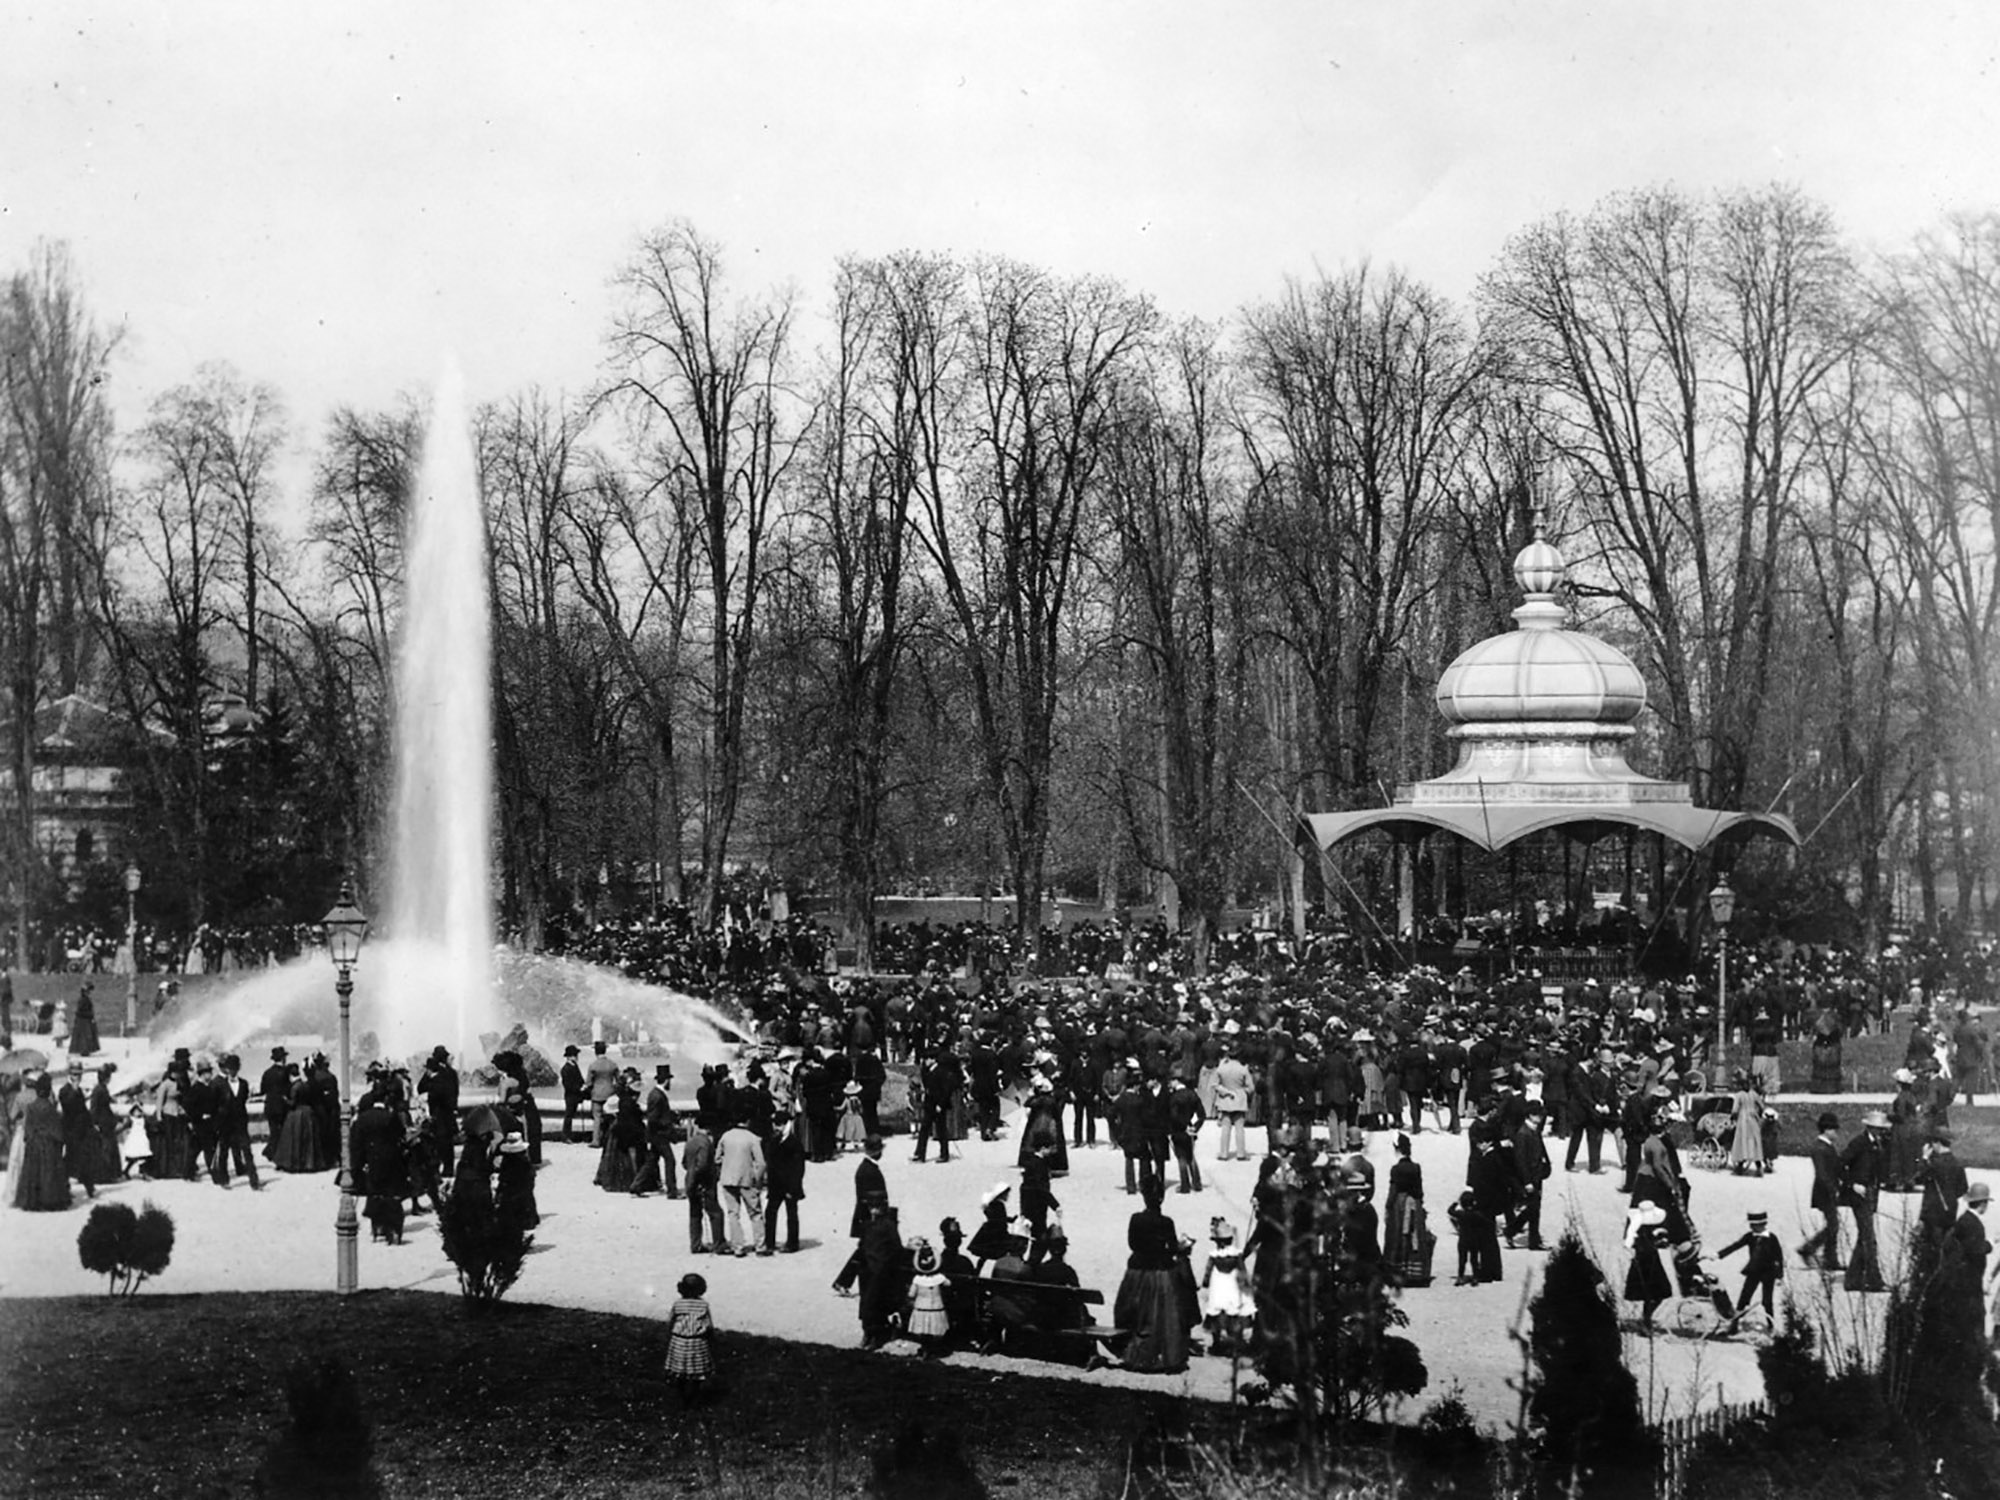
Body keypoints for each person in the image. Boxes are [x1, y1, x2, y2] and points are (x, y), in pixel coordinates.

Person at [1114, 1175, 1198, 1373]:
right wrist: (1182, 1248)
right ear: (1161, 1197)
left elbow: (1132, 1244)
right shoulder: (1166, 1222)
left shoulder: (1135, 1219)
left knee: (1136, 1314)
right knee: (1164, 1314)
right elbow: (1171, 1248)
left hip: (1137, 1270)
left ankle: (1134, 1351)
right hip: (1159, 1271)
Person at [1840, 1110, 1890, 1292]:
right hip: (1859, 1195)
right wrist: (1852, 1183)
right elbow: (1840, 1164)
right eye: (1877, 1129)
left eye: (1881, 1130)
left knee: (1864, 1237)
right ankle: (1874, 1281)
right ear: (1869, 1127)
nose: (1880, 1132)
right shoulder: (1859, 1143)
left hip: (1871, 1194)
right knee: (1869, 1239)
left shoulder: (1879, 1143)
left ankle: (1852, 1280)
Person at [832, 1134, 889, 1294]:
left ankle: (844, 1281)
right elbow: (871, 1198)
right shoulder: (869, 1171)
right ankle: (845, 1282)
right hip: (870, 1218)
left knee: (864, 1250)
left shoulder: (866, 1168)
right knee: (866, 1251)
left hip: (866, 1217)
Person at [350, 1093, 409, 1244]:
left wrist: (357, 1166)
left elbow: (356, 1144)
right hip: (391, 1160)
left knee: (375, 1193)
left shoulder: (362, 1119)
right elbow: (401, 1134)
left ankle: (377, 1227)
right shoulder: (390, 1116)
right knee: (391, 1194)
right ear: (385, 1100)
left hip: (372, 1160)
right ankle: (394, 1229)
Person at [1715, 1209, 1784, 1330]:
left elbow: (1779, 1258)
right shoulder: (1749, 1237)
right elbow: (1735, 1246)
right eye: (1751, 1225)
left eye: (1755, 1225)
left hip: (1768, 1274)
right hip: (1753, 1272)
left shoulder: (1772, 1238)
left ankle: (1770, 1325)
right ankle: (1734, 1324)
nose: (1752, 1228)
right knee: (1744, 1298)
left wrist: (1779, 1276)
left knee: (1767, 1301)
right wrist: (1719, 1255)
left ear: (1763, 1224)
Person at [11, 1073, 71, 1211]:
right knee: (48, 1173)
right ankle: (49, 1200)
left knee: (33, 1174)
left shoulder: (31, 1107)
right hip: (48, 1144)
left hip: (34, 1143)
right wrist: (60, 1141)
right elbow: (56, 1128)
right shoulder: (50, 1108)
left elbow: (29, 1127)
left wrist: (28, 1139)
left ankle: (33, 1201)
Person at [1383, 1133, 1433, 1286]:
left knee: (1397, 1236)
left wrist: (1387, 1207)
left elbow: (1393, 1191)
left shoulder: (1396, 1169)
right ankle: (1416, 1273)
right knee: (1414, 1237)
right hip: (1414, 1204)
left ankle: (1397, 1271)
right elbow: (1420, 1189)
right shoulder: (1416, 1167)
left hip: (1400, 1204)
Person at [715, 1113, 767, 1256]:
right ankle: (760, 1246)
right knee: (755, 1213)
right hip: (746, 1179)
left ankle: (738, 1246)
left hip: (728, 1178)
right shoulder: (752, 1138)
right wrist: (758, 1179)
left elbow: (717, 1158)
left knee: (733, 1214)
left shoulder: (726, 1136)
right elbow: (761, 1163)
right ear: (748, 1121)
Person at [1797, 1111, 1843, 1271]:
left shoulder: (1826, 1146)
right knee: (1833, 1225)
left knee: (1833, 1224)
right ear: (1827, 1130)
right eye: (1834, 1130)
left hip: (1828, 1190)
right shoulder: (1819, 1148)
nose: (1836, 1133)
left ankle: (1828, 1257)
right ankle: (1814, 1251)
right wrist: (1833, 1189)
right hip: (1824, 1191)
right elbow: (1822, 1174)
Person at [1201, 1218, 1254, 1353]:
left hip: (1218, 1284)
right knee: (1235, 1309)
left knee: (1217, 1309)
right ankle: (1235, 1342)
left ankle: (1217, 1342)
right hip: (1233, 1284)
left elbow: (1208, 1271)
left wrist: (1205, 1284)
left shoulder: (1214, 1255)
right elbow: (1242, 1270)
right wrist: (1246, 1284)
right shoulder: (1237, 1255)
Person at [210, 1053, 262, 1190]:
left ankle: (254, 1180)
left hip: (240, 1122)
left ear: (238, 1069)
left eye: (234, 1068)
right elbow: (213, 1104)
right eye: (230, 1068)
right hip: (225, 1123)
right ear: (226, 1069)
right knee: (224, 1152)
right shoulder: (219, 1084)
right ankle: (223, 1179)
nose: (232, 1071)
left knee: (247, 1152)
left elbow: (242, 1100)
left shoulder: (244, 1084)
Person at [664, 1272, 716, 1405]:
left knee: (679, 1371)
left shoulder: (678, 1304)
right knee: (697, 1372)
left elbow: (670, 1320)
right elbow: (709, 1325)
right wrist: (711, 1337)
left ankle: (682, 1396)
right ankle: (693, 1397)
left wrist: (670, 1333)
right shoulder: (703, 1305)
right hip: (697, 1341)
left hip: (679, 1341)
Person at [1624, 1202, 1674, 1331]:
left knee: (1651, 1294)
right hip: (1648, 1261)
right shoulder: (1644, 1230)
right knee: (1656, 1292)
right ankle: (1646, 1320)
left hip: (1647, 1260)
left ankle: (1646, 1320)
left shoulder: (1638, 1228)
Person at [680, 1114, 726, 1254]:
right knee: (716, 1213)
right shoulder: (705, 1143)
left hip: (690, 1182)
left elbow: (684, 1163)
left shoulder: (691, 1141)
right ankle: (719, 1244)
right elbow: (703, 1164)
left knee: (695, 1214)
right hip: (704, 1183)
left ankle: (695, 1244)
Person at [763, 1115, 806, 1253]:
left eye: (780, 1124)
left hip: (789, 1186)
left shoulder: (794, 1143)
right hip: (776, 1185)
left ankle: (792, 1244)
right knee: (770, 1213)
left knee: (791, 1214)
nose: (777, 1127)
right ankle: (769, 1242)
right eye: (776, 1124)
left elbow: (798, 1169)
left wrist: (793, 1188)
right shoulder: (774, 1141)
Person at [57, 1061, 97, 1200]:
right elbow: (67, 1106)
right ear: (69, 1075)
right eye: (75, 1075)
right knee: (70, 1160)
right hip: (71, 1132)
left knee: (83, 1160)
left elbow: (82, 1111)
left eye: (79, 1075)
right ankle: (65, 1187)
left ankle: (89, 1187)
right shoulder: (65, 1090)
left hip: (82, 1131)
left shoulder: (78, 1090)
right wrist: (74, 1091)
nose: (77, 1077)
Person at [905, 1240, 951, 1357]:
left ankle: (925, 1348)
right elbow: (948, 1284)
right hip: (936, 1307)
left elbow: (911, 1294)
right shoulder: (940, 1278)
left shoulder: (917, 1280)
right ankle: (931, 1348)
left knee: (923, 1329)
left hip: (921, 1307)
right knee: (933, 1328)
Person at [418, 1047, 459, 1176]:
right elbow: (455, 1092)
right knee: (448, 1145)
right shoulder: (451, 1073)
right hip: (449, 1114)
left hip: (438, 1114)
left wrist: (428, 1074)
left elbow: (421, 1088)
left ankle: (437, 1171)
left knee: (437, 1144)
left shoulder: (435, 1075)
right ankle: (449, 1170)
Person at [494, 1131, 538, 1238]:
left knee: (509, 1216)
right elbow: (531, 1177)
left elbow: (502, 1178)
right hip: (523, 1194)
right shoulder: (524, 1162)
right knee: (523, 1216)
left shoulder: (506, 1162)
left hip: (509, 1194)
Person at [1727, 1074, 1768, 1177]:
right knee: (1754, 1143)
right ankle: (1759, 1167)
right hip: (1753, 1120)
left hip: (1743, 1120)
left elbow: (1735, 1110)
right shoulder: (1754, 1094)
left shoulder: (1739, 1095)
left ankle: (1740, 1166)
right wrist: (1758, 1113)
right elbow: (1762, 1106)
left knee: (1742, 1142)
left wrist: (1732, 1117)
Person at [258, 1047, 292, 1159]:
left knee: (273, 1130)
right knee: (282, 1132)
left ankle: (271, 1151)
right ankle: (274, 1153)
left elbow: (262, 1090)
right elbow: (289, 1089)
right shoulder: (285, 1072)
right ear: (283, 1058)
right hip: (282, 1105)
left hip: (270, 1106)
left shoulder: (267, 1073)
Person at [558, 1044, 586, 1143]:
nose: (577, 1057)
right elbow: (568, 1085)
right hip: (570, 1096)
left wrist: (583, 1085)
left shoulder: (575, 1066)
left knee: (570, 1115)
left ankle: (568, 1135)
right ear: (569, 1056)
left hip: (576, 1094)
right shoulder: (565, 1069)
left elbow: (580, 1079)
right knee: (569, 1116)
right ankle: (565, 1136)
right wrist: (579, 1089)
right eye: (575, 1055)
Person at [68, 983, 101, 1059]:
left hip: (85, 1019)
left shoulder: (85, 999)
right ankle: (84, 1050)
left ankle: (86, 1050)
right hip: (83, 1020)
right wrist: (90, 1015)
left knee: (87, 1035)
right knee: (85, 1036)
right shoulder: (83, 1000)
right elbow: (80, 1011)